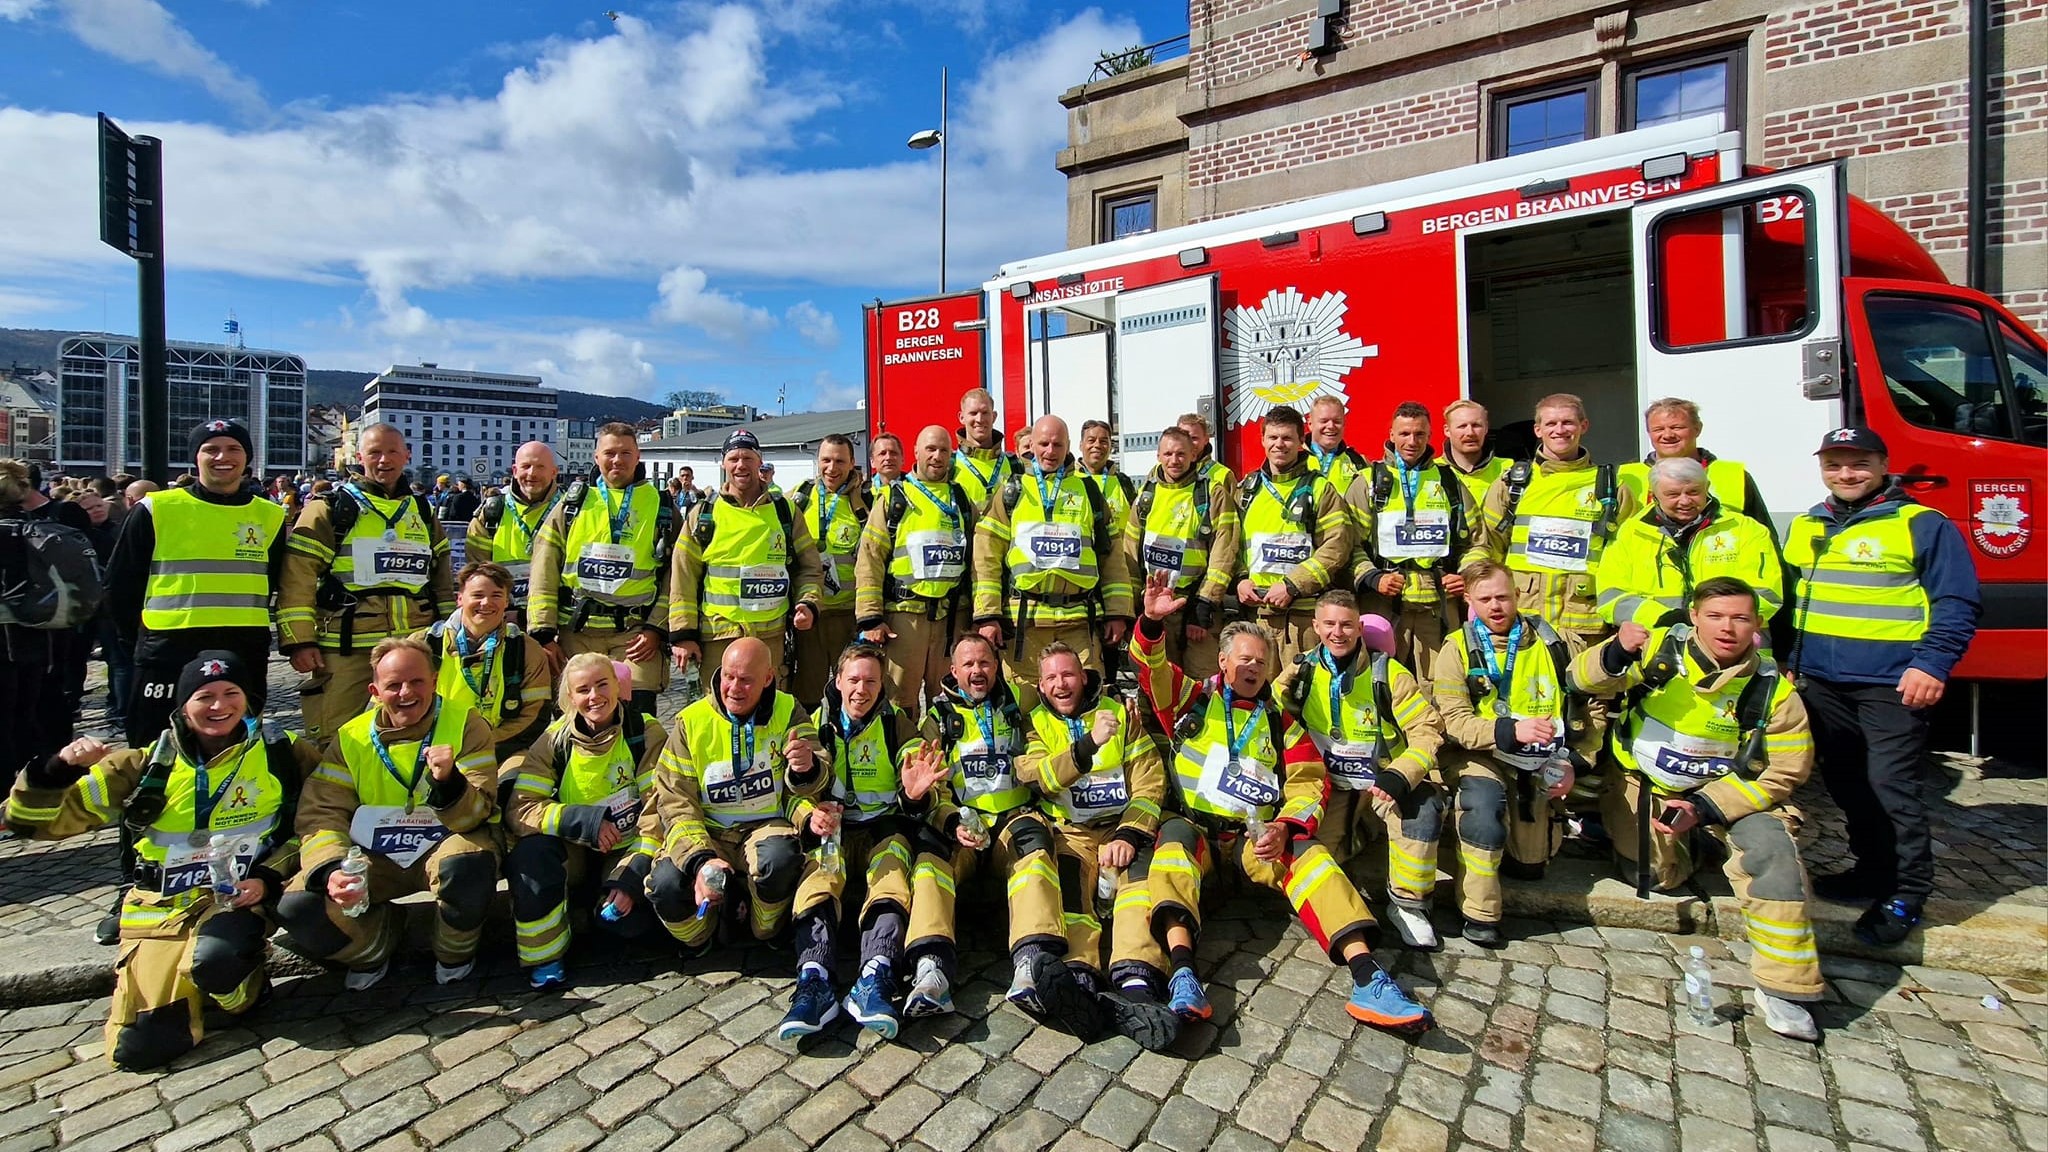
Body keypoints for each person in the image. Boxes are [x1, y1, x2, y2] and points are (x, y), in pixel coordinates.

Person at [1128, 571, 1433, 1033]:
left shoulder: (1281, 723)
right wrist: (1151, 624)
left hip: (1255, 842)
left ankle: (1369, 977)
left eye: (1261, 662)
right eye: (1244, 660)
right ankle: (1184, 973)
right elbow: (1152, 668)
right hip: (1198, 833)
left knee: (1312, 858)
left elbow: (1309, 783)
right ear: (1224, 661)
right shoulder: (1191, 698)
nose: (1253, 669)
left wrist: (1286, 828)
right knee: (1170, 850)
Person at [3, 651, 318, 1070]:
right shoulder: (143, 764)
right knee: (139, 1048)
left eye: (231, 693)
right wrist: (56, 769)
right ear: (183, 706)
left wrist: (268, 876)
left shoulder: (283, 752)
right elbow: (32, 824)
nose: (219, 706)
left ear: (249, 700)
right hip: (160, 908)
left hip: (237, 897)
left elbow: (318, 820)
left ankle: (245, 990)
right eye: (204, 696)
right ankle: (199, 989)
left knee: (217, 961)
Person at [1571, 577, 1823, 1040]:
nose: (1727, 628)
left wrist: (1706, 807)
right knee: (1657, 877)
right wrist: (1616, 651)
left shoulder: (1774, 691)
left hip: (1728, 797)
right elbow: (1580, 678)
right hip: (1648, 783)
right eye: (1715, 616)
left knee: (1773, 859)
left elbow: (1787, 771)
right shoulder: (1659, 653)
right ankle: (1694, 850)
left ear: (1757, 625)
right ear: (1694, 618)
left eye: (1740, 618)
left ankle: (1786, 989)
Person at [1784, 428, 1979, 945]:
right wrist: (1789, 660)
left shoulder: (1921, 524)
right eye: (1835, 465)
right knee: (1847, 781)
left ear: (1883, 465)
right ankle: (1870, 870)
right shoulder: (1809, 523)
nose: (1846, 474)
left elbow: (1957, 602)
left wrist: (1933, 665)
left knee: (1893, 786)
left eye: (1859, 464)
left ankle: (1908, 892)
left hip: (1892, 682)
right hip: (1822, 681)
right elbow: (1798, 600)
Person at [275, 637, 500, 989]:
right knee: (299, 904)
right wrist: (333, 867)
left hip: (444, 842)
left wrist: (450, 782)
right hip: (373, 855)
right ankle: (373, 947)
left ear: (435, 680)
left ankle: (453, 953)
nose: (406, 692)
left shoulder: (466, 724)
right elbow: (321, 811)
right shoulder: (351, 737)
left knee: (469, 865)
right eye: (393, 685)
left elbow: (477, 814)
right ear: (375, 690)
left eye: (417, 682)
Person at [777, 644, 959, 1040]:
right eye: (854, 680)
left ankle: (875, 976)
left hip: (883, 828)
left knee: (891, 883)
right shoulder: (814, 725)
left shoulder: (897, 725)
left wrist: (914, 794)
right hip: (833, 832)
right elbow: (791, 793)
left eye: (871, 681)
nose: (861, 690)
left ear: (882, 688)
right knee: (818, 884)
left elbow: (920, 787)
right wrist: (810, 814)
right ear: (838, 681)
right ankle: (814, 981)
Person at [1013, 641, 1182, 1050]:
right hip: (1070, 833)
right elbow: (1039, 776)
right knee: (1072, 899)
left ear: (1083, 676)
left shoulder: (1121, 714)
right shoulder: (1034, 722)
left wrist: (1128, 833)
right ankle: (1078, 981)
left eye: (1067, 674)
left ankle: (1137, 983)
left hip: (1119, 829)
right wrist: (1087, 745)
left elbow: (1149, 779)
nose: (1060, 684)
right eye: (1050, 678)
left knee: (1136, 891)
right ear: (1041, 684)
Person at [1481, 393, 1637, 814]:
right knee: (1523, 706)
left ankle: (1580, 807)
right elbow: (1485, 548)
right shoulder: (1514, 484)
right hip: (1524, 624)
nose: (1559, 431)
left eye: (1568, 423)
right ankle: (1526, 802)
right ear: (1537, 430)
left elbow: (1631, 556)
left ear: (1583, 426)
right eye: (1550, 424)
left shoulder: (1611, 487)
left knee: (1585, 714)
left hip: (1583, 624)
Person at [1430, 561, 1592, 947]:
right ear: (1469, 600)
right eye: (1485, 599)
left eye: (1503, 596)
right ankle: (1479, 913)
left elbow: (1593, 708)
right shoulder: (1457, 648)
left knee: (1529, 866)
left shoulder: (1557, 642)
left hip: (1541, 761)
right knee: (1484, 812)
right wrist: (1507, 731)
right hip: (1479, 754)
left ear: (1518, 595)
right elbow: (1454, 722)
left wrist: (1575, 761)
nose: (1496, 606)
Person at [1273, 591, 1447, 950]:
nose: (1339, 633)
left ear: (1359, 628)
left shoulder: (1389, 674)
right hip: (1331, 785)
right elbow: (1270, 708)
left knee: (1423, 810)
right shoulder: (1301, 670)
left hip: (1383, 783)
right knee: (1317, 858)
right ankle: (1364, 833)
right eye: (1331, 624)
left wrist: (1402, 775)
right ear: (1316, 626)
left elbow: (1428, 732)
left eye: (1347, 625)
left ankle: (1408, 907)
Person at [107, 421, 288, 747]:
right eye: (211, 449)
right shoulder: (156, 509)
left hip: (243, 646)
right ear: (196, 457)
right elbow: (120, 585)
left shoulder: (271, 516)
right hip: (168, 648)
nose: (223, 457)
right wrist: (138, 639)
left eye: (234, 449)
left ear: (247, 457)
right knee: (154, 744)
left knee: (237, 743)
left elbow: (275, 580)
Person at [278, 424, 454, 745]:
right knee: (338, 738)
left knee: (414, 734)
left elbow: (441, 581)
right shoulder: (329, 509)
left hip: (413, 644)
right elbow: (297, 577)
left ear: (406, 456)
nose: (383, 460)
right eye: (374, 452)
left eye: (391, 452)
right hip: (346, 649)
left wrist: (447, 635)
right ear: (359, 457)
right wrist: (300, 641)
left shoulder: (424, 512)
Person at [642, 637, 821, 952]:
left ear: (768, 679)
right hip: (708, 829)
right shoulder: (691, 722)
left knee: (779, 861)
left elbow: (816, 774)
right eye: (728, 677)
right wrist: (700, 860)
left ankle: (765, 929)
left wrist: (807, 766)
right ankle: (701, 935)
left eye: (746, 680)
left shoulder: (789, 710)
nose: (734, 688)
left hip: (765, 824)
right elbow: (675, 802)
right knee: (665, 885)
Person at [503, 654, 666, 989]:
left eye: (602, 684)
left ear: (618, 687)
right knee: (530, 854)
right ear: (570, 698)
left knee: (629, 925)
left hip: (628, 848)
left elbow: (658, 809)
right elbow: (520, 810)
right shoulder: (552, 742)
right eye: (583, 689)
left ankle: (591, 910)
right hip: (574, 849)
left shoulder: (644, 731)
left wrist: (630, 878)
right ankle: (545, 958)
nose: (594, 696)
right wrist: (583, 821)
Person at [528, 423, 678, 716]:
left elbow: (676, 575)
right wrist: (543, 634)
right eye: (610, 453)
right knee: (578, 720)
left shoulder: (661, 506)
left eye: (625, 453)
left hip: (635, 637)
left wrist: (656, 629)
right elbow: (544, 568)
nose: (617, 460)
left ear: (638, 457)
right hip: (577, 634)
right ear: (596, 457)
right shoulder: (573, 503)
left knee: (637, 724)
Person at [973, 415, 1133, 683]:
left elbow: (1112, 558)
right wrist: (988, 615)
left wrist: (1118, 612)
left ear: (1069, 445)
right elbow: (987, 556)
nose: (1050, 451)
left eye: (1058, 445)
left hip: (1079, 623)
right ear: (1031, 445)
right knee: (1025, 709)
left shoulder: (1089, 492)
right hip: (1025, 624)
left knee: (1087, 701)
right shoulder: (1012, 491)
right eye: (1044, 443)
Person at [669, 429, 822, 687]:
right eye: (734, 458)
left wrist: (808, 602)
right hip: (718, 638)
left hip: (771, 636)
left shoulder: (785, 511)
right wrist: (683, 634)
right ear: (724, 463)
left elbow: (809, 568)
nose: (741, 465)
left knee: (771, 714)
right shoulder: (703, 513)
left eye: (748, 458)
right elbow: (683, 578)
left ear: (759, 461)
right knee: (720, 714)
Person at [1349, 402, 1489, 667]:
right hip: (1384, 603)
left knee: (1441, 681)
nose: (1412, 441)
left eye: (1419, 434)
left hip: (1438, 606)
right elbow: (1348, 545)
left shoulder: (1449, 481)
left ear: (1430, 435)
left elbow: (1476, 542)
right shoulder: (1368, 481)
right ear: (1391, 435)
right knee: (1383, 681)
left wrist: (1466, 576)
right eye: (1404, 434)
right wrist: (1373, 577)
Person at [855, 425, 976, 714]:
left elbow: (978, 561)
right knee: (900, 704)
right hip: (904, 619)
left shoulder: (962, 500)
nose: (937, 456)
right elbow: (870, 558)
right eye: (930, 449)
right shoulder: (895, 498)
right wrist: (871, 618)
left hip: (952, 619)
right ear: (916, 453)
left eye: (944, 450)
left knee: (953, 702)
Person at [1597, 457, 1783, 631]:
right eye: (1673, 494)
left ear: (1707, 487)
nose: (1685, 501)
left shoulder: (1747, 530)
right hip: (1655, 645)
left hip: (1733, 649)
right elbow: (1611, 597)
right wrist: (1667, 618)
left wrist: (1710, 621)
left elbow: (1767, 594)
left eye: (1693, 492)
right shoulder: (1629, 533)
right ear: (1654, 495)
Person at [1233, 405, 1350, 665]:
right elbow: (1234, 545)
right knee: (1258, 696)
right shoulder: (1247, 490)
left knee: (1301, 697)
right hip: (1257, 616)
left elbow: (1337, 546)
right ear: (1262, 440)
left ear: (1301, 441)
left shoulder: (1320, 488)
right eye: (1273, 438)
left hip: (1304, 619)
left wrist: (1292, 585)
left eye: (1287, 438)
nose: (1279, 445)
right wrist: (1240, 580)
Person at [1123, 424, 1240, 678]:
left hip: (1194, 606)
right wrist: (1132, 604)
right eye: (1167, 454)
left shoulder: (1211, 494)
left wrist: (1205, 602)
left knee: (1202, 683)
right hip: (1154, 607)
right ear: (1158, 456)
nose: (1174, 460)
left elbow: (1225, 550)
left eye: (1180, 454)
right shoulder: (1146, 495)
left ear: (1193, 455)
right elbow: (1130, 551)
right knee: (1154, 684)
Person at [415, 561, 552, 759]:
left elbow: (535, 716)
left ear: (507, 601)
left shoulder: (526, 649)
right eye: (477, 595)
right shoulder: (424, 643)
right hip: (430, 748)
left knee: (520, 782)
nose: (486, 603)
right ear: (459, 598)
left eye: (496, 595)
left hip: (500, 749)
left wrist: (481, 741)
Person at [790, 434, 871, 705]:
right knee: (808, 689)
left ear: (852, 464)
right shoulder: (798, 499)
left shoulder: (866, 502)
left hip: (848, 615)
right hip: (810, 615)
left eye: (839, 461)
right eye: (825, 460)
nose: (831, 468)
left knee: (847, 690)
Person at [1618, 398, 1774, 534]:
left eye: (1677, 427)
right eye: (1658, 429)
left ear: (1698, 429)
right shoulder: (1624, 478)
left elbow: (1764, 534)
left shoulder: (1732, 474)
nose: (1668, 435)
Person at [465, 441, 564, 633]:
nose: (532, 474)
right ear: (515, 470)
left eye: (540, 467)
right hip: (502, 621)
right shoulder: (491, 512)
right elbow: (476, 571)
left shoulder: (572, 511)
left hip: (555, 625)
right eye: (526, 466)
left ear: (554, 472)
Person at [1437, 399, 1511, 509]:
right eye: (1462, 426)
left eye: (1476, 425)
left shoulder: (1508, 469)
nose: (1470, 433)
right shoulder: (1434, 471)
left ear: (1486, 428)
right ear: (1447, 430)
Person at [953, 388, 1014, 515]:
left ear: (994, 416)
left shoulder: (1015, 465)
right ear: (961, 417)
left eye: (985, 412)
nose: (980, 419)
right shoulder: (949, 465)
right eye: (973, 413)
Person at [1305, 394, 1369, 497]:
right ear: (1310, 424)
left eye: (1337, 421)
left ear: (1344, 424)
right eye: (1324, 421)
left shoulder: (1359, 462)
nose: (1331, 426)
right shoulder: (1294, 459)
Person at [1076, 419, 1136, 526]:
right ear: (1081, 445)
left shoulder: (1123, 482)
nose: (1097, 445)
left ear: (1110, 447)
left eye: (1103, 441)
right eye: (1091, 440)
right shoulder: (1068, 480)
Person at [1175, 411, 1236, 493]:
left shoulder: (1223, 475)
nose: (1188, 443)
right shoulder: (1161, 473)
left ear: (1206, 439)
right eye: (1183, 437)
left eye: (1194, 438)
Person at [868, 433, 905, 497]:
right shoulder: (863, 493)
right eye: (882, 453)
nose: (888, 457)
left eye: (893, 453)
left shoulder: (915, 488)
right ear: (872, 462)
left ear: (902, 459)